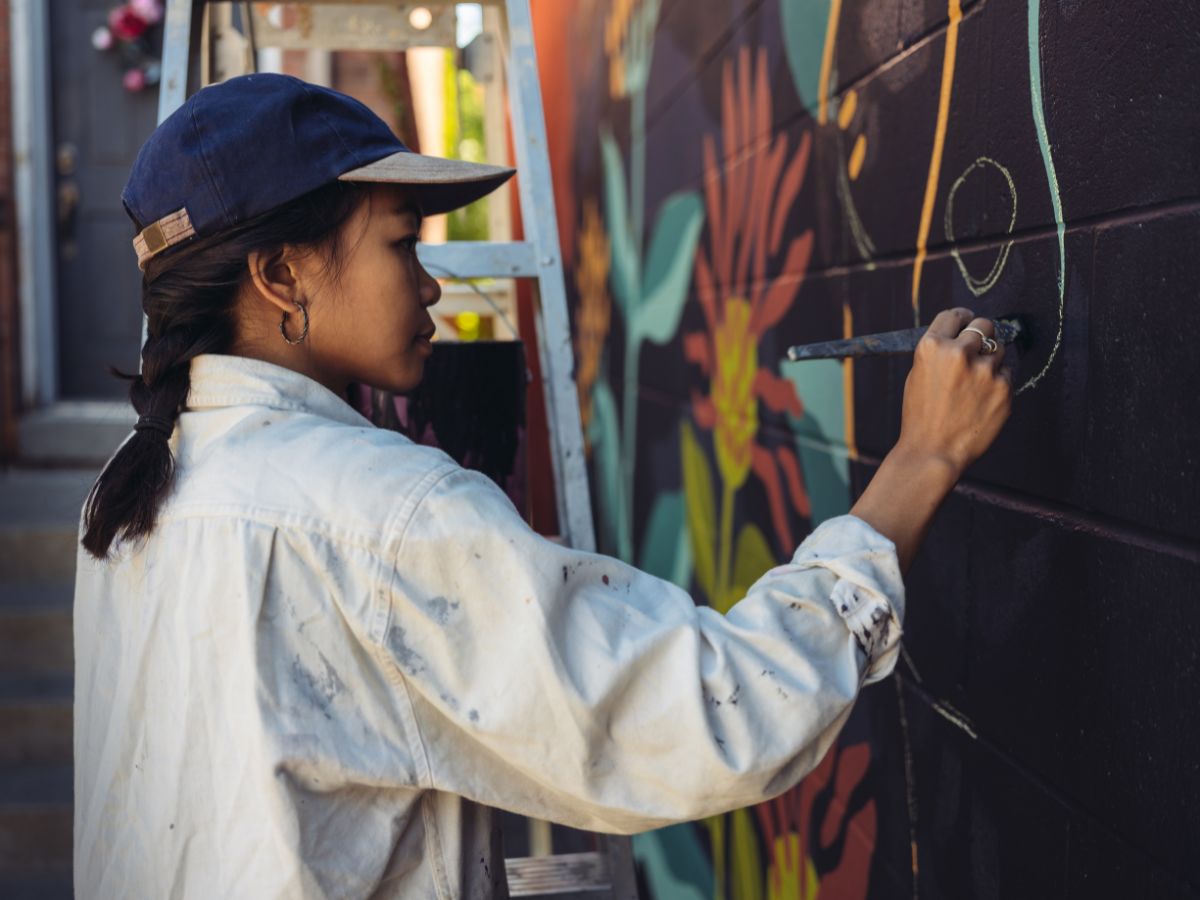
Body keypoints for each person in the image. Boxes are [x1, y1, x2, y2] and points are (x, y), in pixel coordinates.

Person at [73, 73, 1012, 898]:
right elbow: (717, 714)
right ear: (281, 275)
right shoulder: (378, 514)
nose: (432, 285)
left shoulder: (129, 493)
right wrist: (921, 461)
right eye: (403, 245)